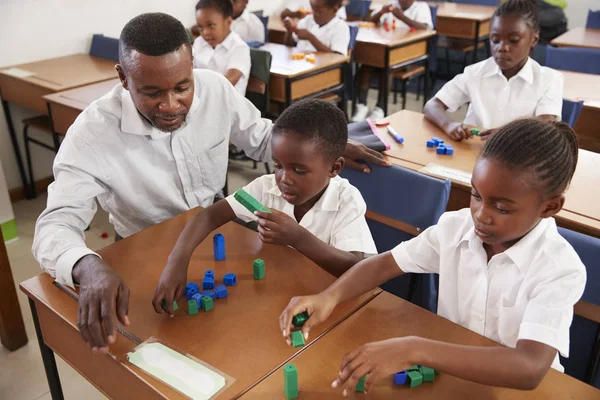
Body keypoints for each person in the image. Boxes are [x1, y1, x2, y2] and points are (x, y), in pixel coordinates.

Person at [32, 12, 388, 354]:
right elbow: (54, 225)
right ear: (124, 78)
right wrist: (87, 265)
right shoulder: (92, 133)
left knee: (232, 338)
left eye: (182, 87)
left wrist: (328, 149)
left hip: (216, 240)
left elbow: (265, 139)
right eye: (152, 93)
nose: (171, 105)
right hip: (147, 247)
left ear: (193, 67)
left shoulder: (215, 89)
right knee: (154, 347)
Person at [280, 118, 586, 393]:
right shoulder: (455, 227)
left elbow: (529, 368)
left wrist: (414, 349)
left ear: (550, 207)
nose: (480, 215)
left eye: (502, 208)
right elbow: (385, 263)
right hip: (450, 372)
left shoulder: (559, 268)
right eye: (476, 195)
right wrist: (329, 297)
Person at [153, 99, 377, 314]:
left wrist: (298, 238)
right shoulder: (265, 188)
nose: (283, 179)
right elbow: (207, 217)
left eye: (298, 170)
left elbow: (354, 268)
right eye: (278, 165)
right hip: (277, 297)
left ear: (334, 168)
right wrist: (177, 262)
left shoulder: (346, 200)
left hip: (329, 305)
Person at [423, 0, 563, 141]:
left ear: (534, 39)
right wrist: (449, 124)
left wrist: (508, 134)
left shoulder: (549, 79)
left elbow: (547, 125)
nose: (502, 47)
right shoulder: (474, 73)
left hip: (520, 157)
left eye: (513, 40)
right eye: (495, 40)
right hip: (475, 154)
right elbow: (432, 105)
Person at [351, 0, 433, 122]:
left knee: (387, 68)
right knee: (367, 64)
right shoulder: (392, 5)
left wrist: (402, 17)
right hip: (385, 49)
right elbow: (371, 21)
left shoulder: (421, 7)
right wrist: (381, 13)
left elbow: (425, 28)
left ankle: (380, 108)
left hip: (407, 53)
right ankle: (361, 105)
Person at [193, 0, 251, 95]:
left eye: (211, 25)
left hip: (228, 106)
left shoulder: (239, 48)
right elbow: (189, 72)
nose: (205, 32)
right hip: (200, 100)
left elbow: (227, 83)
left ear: (228, 22)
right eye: (200, 27)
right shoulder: (199, 42)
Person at [283, 0, 350, 55]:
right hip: (300, 64)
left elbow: (337, 57)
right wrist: (289, 31)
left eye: (319, 12)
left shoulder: (341, 27)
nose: (315, 14)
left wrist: (310, 38)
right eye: (313, 10)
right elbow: (289, 45)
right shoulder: (307, 20)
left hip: (324, 69)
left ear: (334, 10)